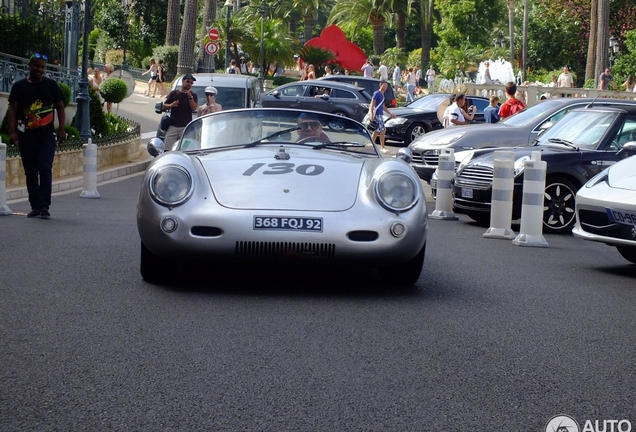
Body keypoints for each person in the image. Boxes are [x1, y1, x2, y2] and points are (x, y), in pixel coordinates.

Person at [8, 53, 66, 219]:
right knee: (31, 172)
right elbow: (12, 110)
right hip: (26, 136)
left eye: (42, 67)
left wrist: (61, 129)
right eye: (37, 66)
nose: (40, 70)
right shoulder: (19, 87)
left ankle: (45, 206)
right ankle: (35, 206)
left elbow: (60, 107)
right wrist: (12, 132)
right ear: (30, 66)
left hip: (47, 136)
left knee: (45, 167)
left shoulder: (51, 85)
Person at [162, 73, 198, 151]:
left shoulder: (193, 95)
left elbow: (194, 108)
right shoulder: (174, 93)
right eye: (188, 81)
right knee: (167, 149)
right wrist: (172, 105)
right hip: (173, 126)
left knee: (184, 150)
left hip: (185, 127)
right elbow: (164, 106)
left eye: (191, 83)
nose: (189, 84)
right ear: (183, 81)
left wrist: (190, 97)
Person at [369, 79, 396, 153]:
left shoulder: (382, 94)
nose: (385, 87)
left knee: (377, 130)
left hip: (380, 114)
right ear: (380, 85)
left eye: (386, 85)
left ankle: (371, 143)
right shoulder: (376, 93)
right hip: (377, 114)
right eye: (384, 85)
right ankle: (382, 147)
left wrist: (390, 114)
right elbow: (372, 103)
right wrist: (372, 114)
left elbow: (383, 106)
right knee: (383, 130)